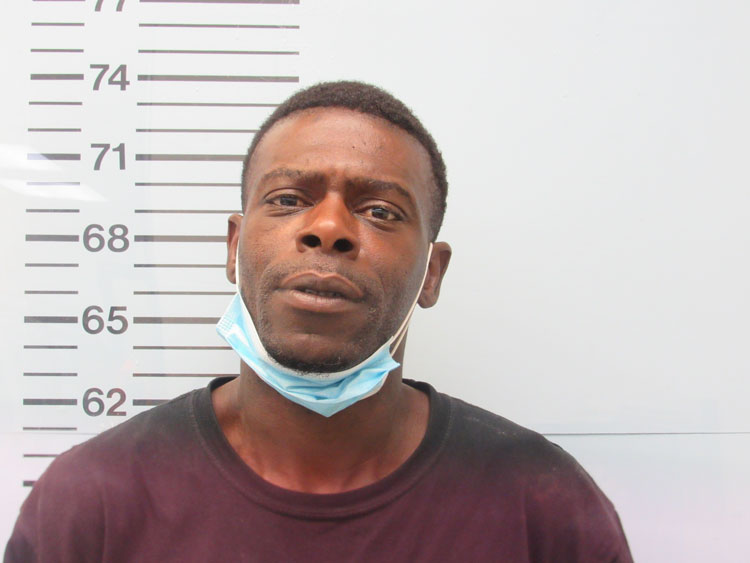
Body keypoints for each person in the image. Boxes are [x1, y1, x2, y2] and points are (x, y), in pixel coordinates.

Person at [5, 81, 632, 562]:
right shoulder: (91, 502)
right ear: (234, 247)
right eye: (288, 200)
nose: (328, 228)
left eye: (380, 210)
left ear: (432, 274)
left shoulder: (540, 506)